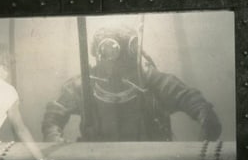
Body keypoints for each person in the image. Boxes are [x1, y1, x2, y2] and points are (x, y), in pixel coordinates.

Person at [41, 22, 222, 143]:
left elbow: (192, 100)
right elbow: (54, 116)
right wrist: (53, 138)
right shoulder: (82, 85)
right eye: (111, 52)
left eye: (127, 57)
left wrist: (207, 123)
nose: (120, 65)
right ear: (98, 53)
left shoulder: (151, 80)